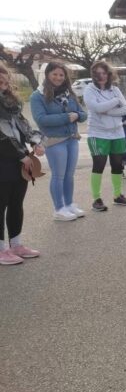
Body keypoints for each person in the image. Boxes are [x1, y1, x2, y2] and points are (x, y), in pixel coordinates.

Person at [29, 62, 87, 221]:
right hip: (54, 141)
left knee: (69, 175)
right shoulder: (37, 96)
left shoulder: (70, 93)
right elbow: (41, 119)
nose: (58, 77)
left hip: (72, 138)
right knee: (59, 175)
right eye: (54, 74)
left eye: (61, 75)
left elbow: (83, 114)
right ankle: (59, 208)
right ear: (47, 74)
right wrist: (67, 117)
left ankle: (69, 204)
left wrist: (78, 115)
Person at [0, 62, 44, 264]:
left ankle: (16, 243)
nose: (2, 82)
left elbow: (23, 126)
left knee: (16, 203)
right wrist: (21, 155)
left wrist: (36, 142)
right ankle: (1, 250)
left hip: (19, 161)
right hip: (5, 160)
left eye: (3, 78)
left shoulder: (11, 103)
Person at [83, 61, 126, 211]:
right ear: (93, 75)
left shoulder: (115, 90)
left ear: (109, 74)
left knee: (117, 164)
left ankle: (117, 195)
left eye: (104, 73)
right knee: (99, 165)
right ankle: (96, 199)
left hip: (117, 132)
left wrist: (108, 109)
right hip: (98, 133)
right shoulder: (89, 90)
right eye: (98, 74)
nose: (101, 76)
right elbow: (96, 108)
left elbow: (125, 109)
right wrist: (115, 102)